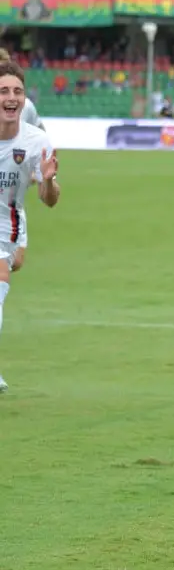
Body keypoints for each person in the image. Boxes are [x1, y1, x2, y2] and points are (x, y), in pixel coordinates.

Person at [0, 61, 60, 392]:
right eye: (4, 91)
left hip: (7, 221)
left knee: (10, 267)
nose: (12, 98)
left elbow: (50, 200)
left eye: (17, 92)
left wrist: (48, 181)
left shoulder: (37, 141)